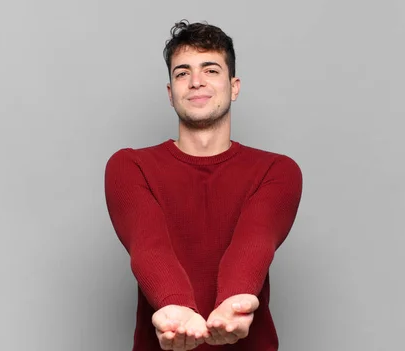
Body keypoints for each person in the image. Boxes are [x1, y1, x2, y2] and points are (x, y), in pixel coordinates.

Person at [104, 20, 303, 351]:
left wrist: (235, 302)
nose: (196, 81)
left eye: (210, 70)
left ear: (234, 86)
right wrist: (175, 303)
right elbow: (148, 244)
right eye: (182, 73)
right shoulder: (130, 167)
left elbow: (254, 241)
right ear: (170, 93)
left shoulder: (276, 170)